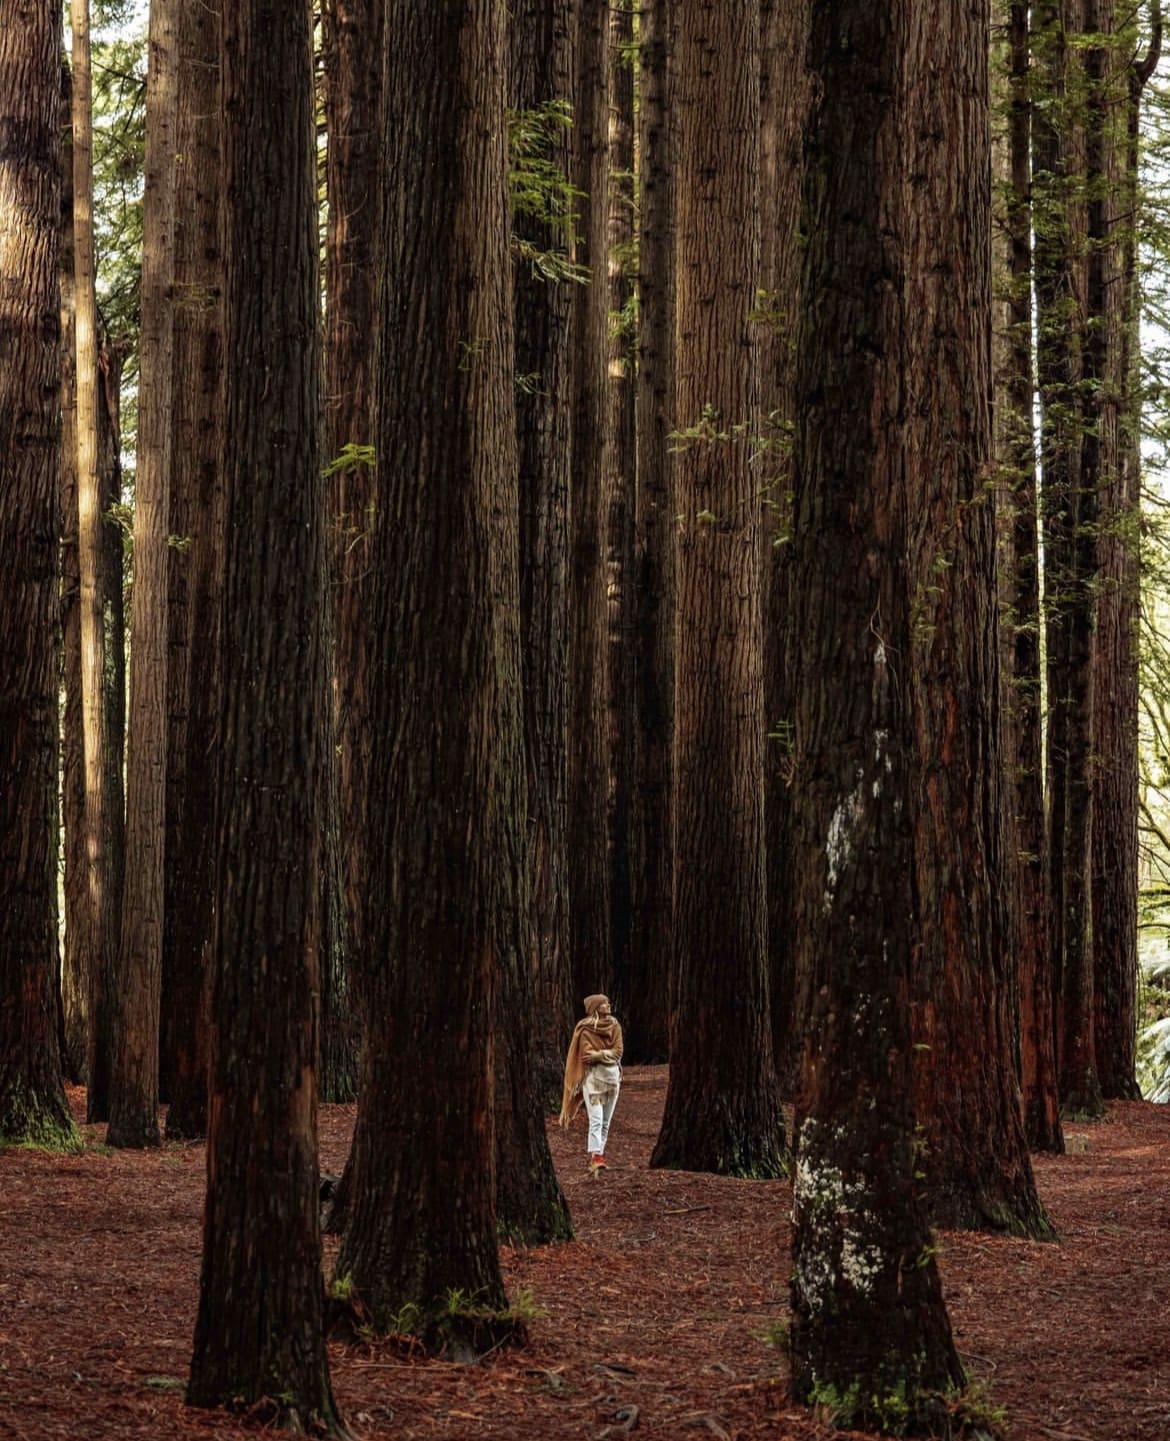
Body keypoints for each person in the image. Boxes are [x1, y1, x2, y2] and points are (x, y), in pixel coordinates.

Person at [559, 993, 623, 1173]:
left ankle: (599, 1156)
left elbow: (618, 1051)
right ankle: (595, 1157)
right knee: (596, 1119)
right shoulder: (585, 1029)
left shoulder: (615, 1025)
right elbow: (587, 1056)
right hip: (593, 1080)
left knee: (606, 1122)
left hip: (612, 1079)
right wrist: (604, 1055)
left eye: (608, 1002)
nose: (608, 1005)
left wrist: (600, 1055)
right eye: (604, 1003)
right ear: (596, 1007)